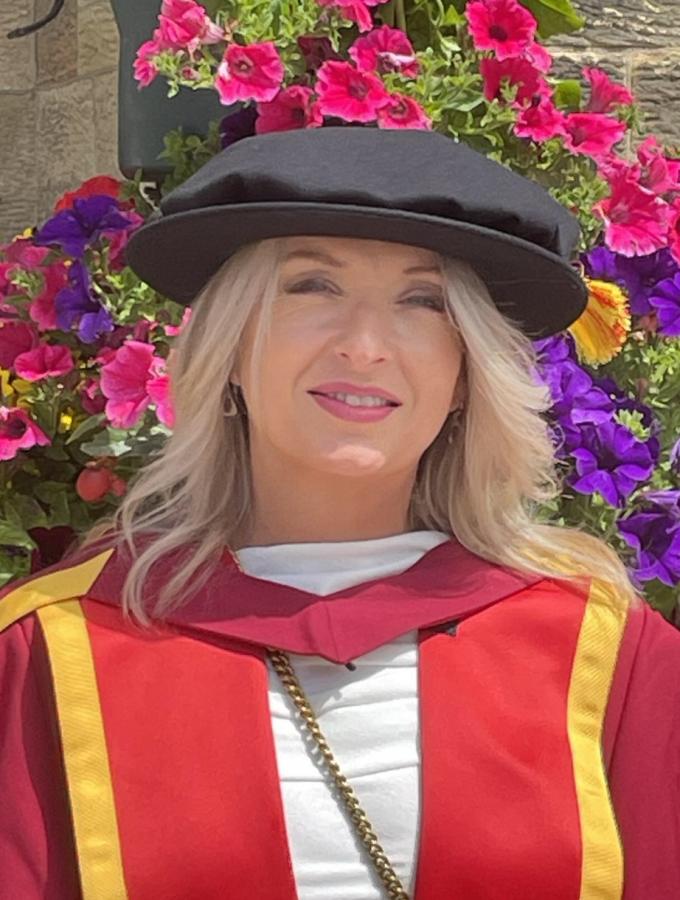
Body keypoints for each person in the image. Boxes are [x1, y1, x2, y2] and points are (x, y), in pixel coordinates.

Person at [0, 125, 678, 900]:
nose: (364, 345)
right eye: (311, 286)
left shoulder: (605, 654)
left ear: (466, 371)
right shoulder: (55, 650)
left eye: (423, 301)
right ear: (229, 342)